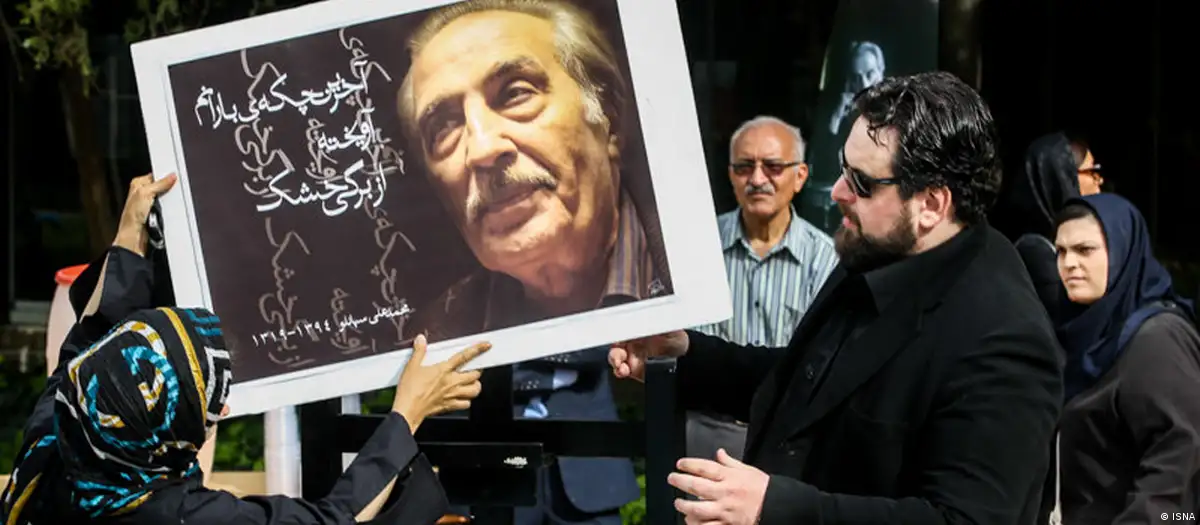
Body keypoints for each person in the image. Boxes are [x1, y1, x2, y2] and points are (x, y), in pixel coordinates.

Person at [609, 71, 1064, 524]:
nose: (839, 192)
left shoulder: (1003, 341)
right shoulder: (876, 250)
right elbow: (806, 384)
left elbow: (964, 519)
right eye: (844, 168)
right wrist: (686, 355)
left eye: (862, 182)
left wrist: (774, 507)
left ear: (931, 204)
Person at [1, 173, 491, 525]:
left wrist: (130, 232)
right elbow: (332, 519)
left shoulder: (62, 424)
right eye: (208, 411)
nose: (225, 410)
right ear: (165, 445)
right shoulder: (180, 515)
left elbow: (93, 336)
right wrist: (407, 413)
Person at [396, 1, 652, 522]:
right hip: (489, 488)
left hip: (588, 486)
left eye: (515, 94)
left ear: (608, 118)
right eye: (444, 127)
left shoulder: (675, 286)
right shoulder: (439, 320)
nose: (481, 149)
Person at [689, 115, 838, 462]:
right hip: (707, 434)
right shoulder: (699, 248)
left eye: (773, 167)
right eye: (744, 167)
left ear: (800, 176)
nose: (757, 179)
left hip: (789, 437)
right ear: (730, 175)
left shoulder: (825, 259)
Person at [1051, 193, 1200, 521]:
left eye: (1085, 250)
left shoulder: (1156, 339)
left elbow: (1179, 457)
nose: (1069, 263)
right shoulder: (1081, 333)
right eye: (1061, 251)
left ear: (1122, 251)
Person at [990, 131, 1083, 323]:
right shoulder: (1035, 251)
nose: (1099, 181)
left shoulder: (1056, 237)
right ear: (1063, 176)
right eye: (1092, 172)